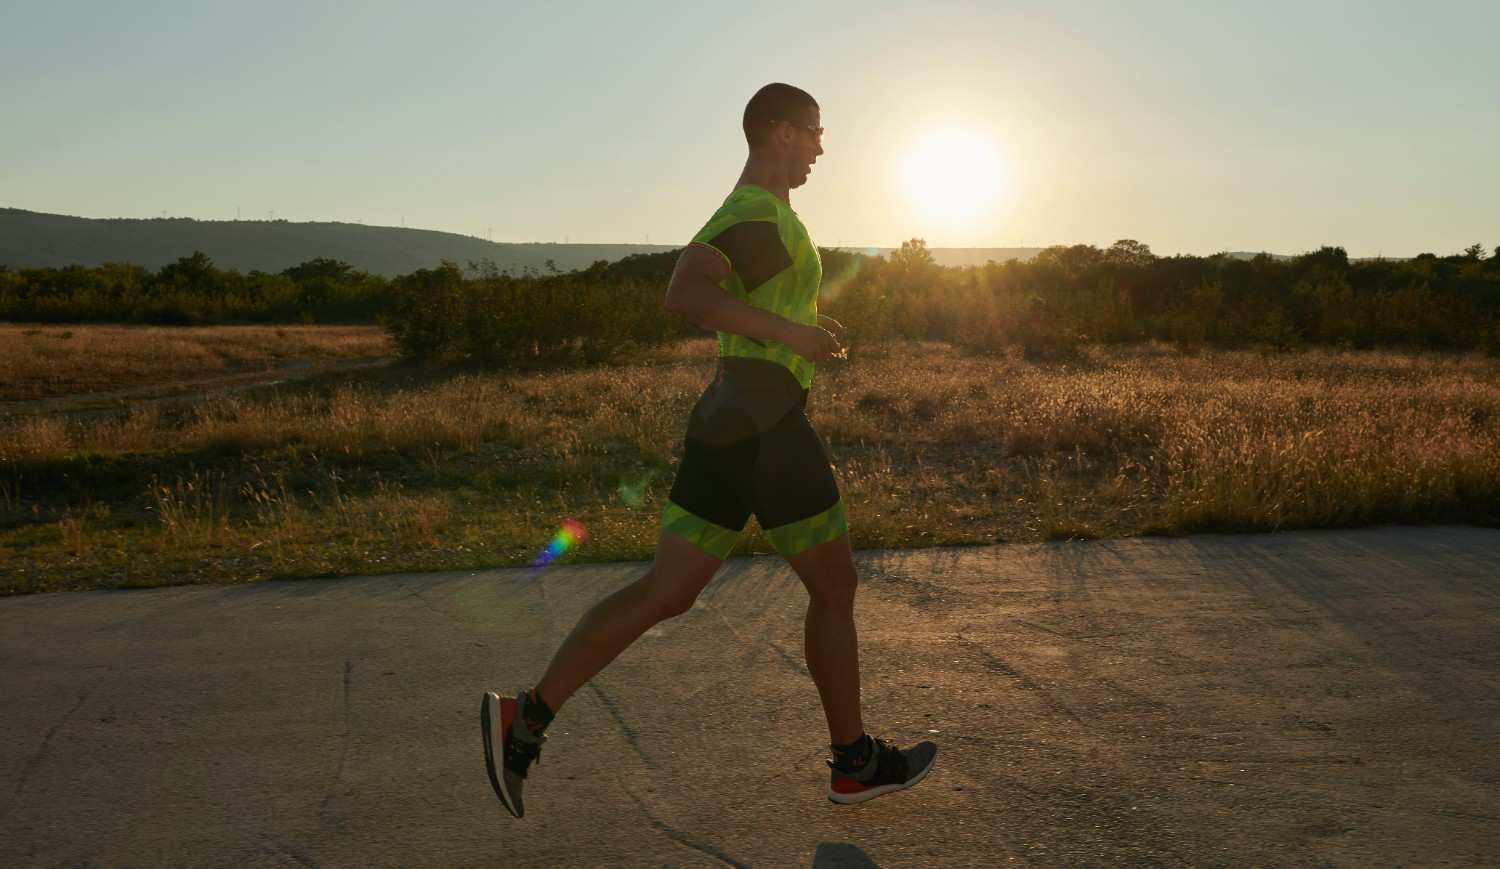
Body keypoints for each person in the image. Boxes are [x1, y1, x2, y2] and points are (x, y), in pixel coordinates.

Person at [481, 82, 937, 818]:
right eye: (816, 132)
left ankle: (525, 718)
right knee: (834, 585)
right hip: (766, 424)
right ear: (782, 132)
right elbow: (685, 292)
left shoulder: (762, 212)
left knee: (668, 590)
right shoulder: (757, 212)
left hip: (729, 415)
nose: (823, 145)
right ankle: (854, 762)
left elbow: (736, 304)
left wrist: (804, 321)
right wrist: (793, 336)